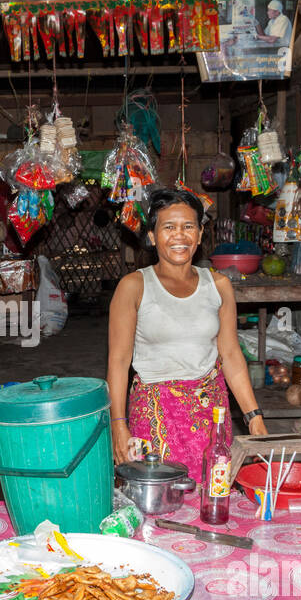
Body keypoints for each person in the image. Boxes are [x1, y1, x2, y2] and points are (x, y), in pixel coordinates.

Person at [108, 188, 268, 483]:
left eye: (188, 226)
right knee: (158, 499)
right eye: (168, 227)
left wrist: (253, 416)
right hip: (156, 416)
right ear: (153, 236)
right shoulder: (133, 286)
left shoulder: (218, 285)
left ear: (199, 234)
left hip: (211, 415)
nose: (179, 236)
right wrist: (119, 425)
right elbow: (118, 362)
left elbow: (231, 355)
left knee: (212, 492)